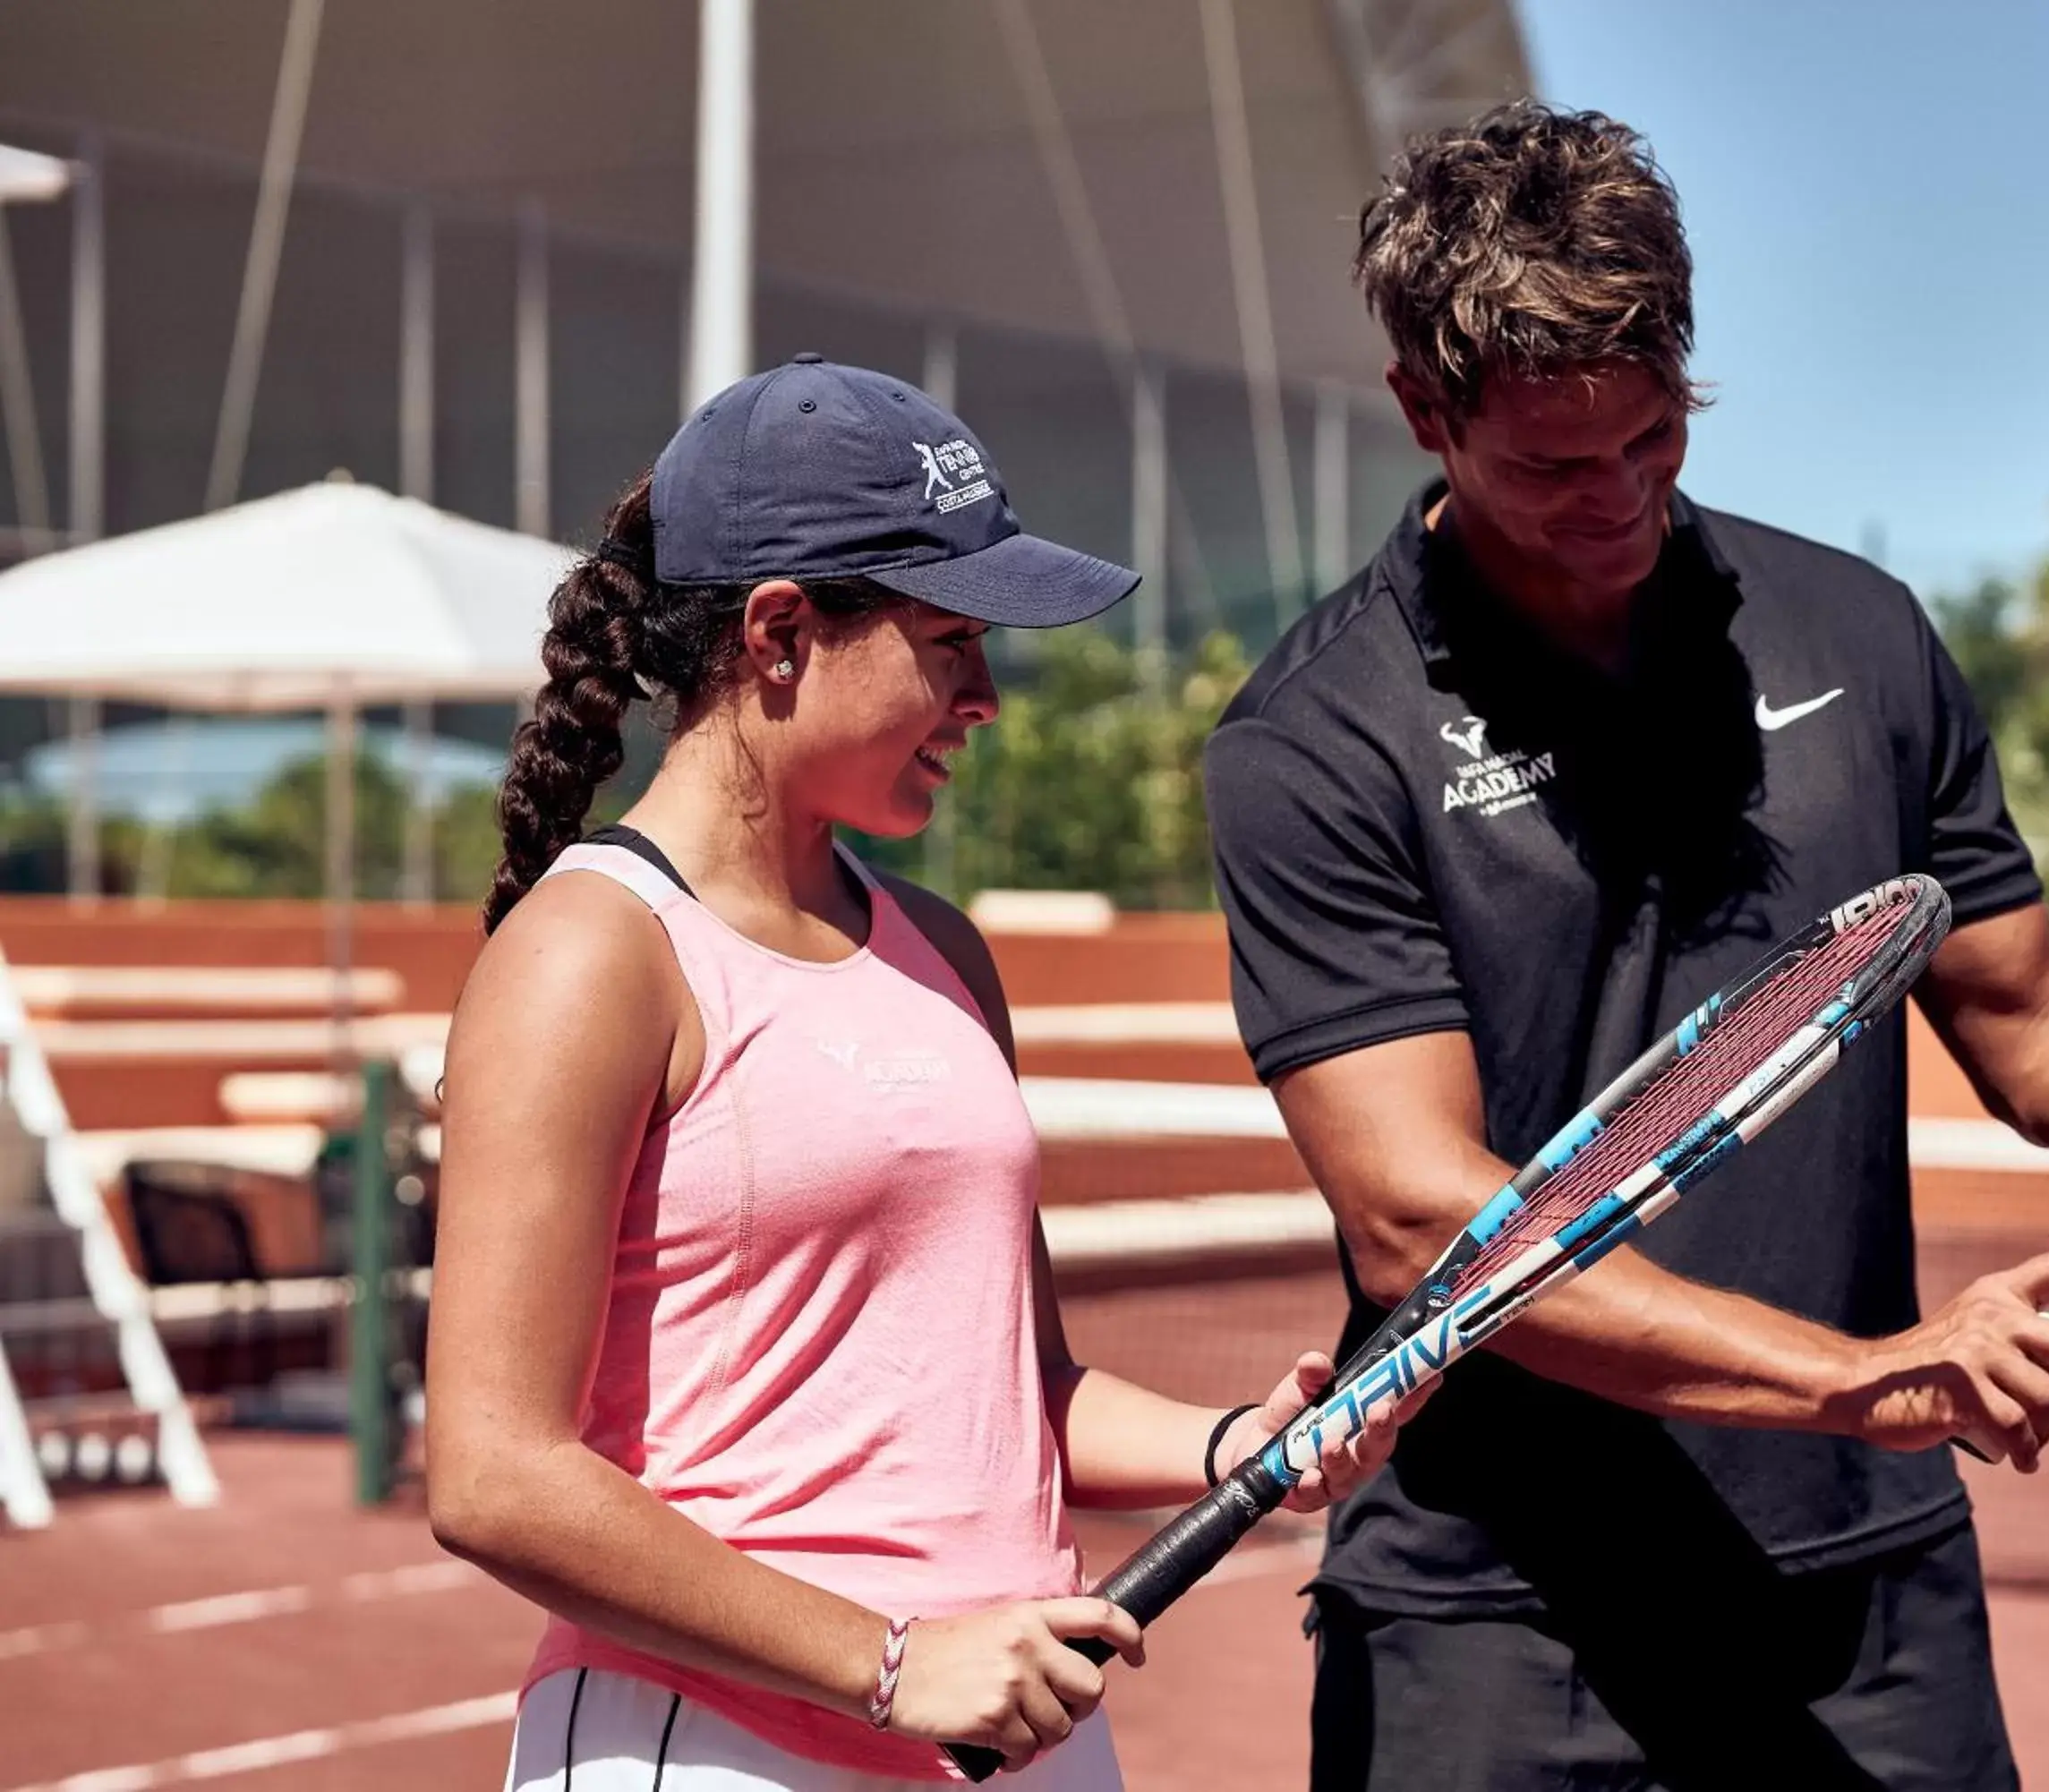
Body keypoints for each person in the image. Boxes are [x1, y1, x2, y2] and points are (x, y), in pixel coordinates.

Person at [1201, 104, 2049, 1791]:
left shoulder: (1860, 634)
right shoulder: (1318, 740)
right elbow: (1420, 1221)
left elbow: (2042, 1033)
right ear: (1423, 414)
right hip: (1498, 1621)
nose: (1616, 498)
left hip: (1866, 1609)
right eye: (1550, 464)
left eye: (1654, 436)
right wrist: (1868, 1377)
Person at [425, 355, 1418, 1791]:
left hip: (1017, 1737)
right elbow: (495, 1475)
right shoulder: (590, 953)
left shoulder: (944, 949)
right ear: (778, 631)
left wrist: (1232, 1441)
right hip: (719, 1746)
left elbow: (1023, 1385)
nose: (989, 697)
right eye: (952, 637)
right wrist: (893, 1658)